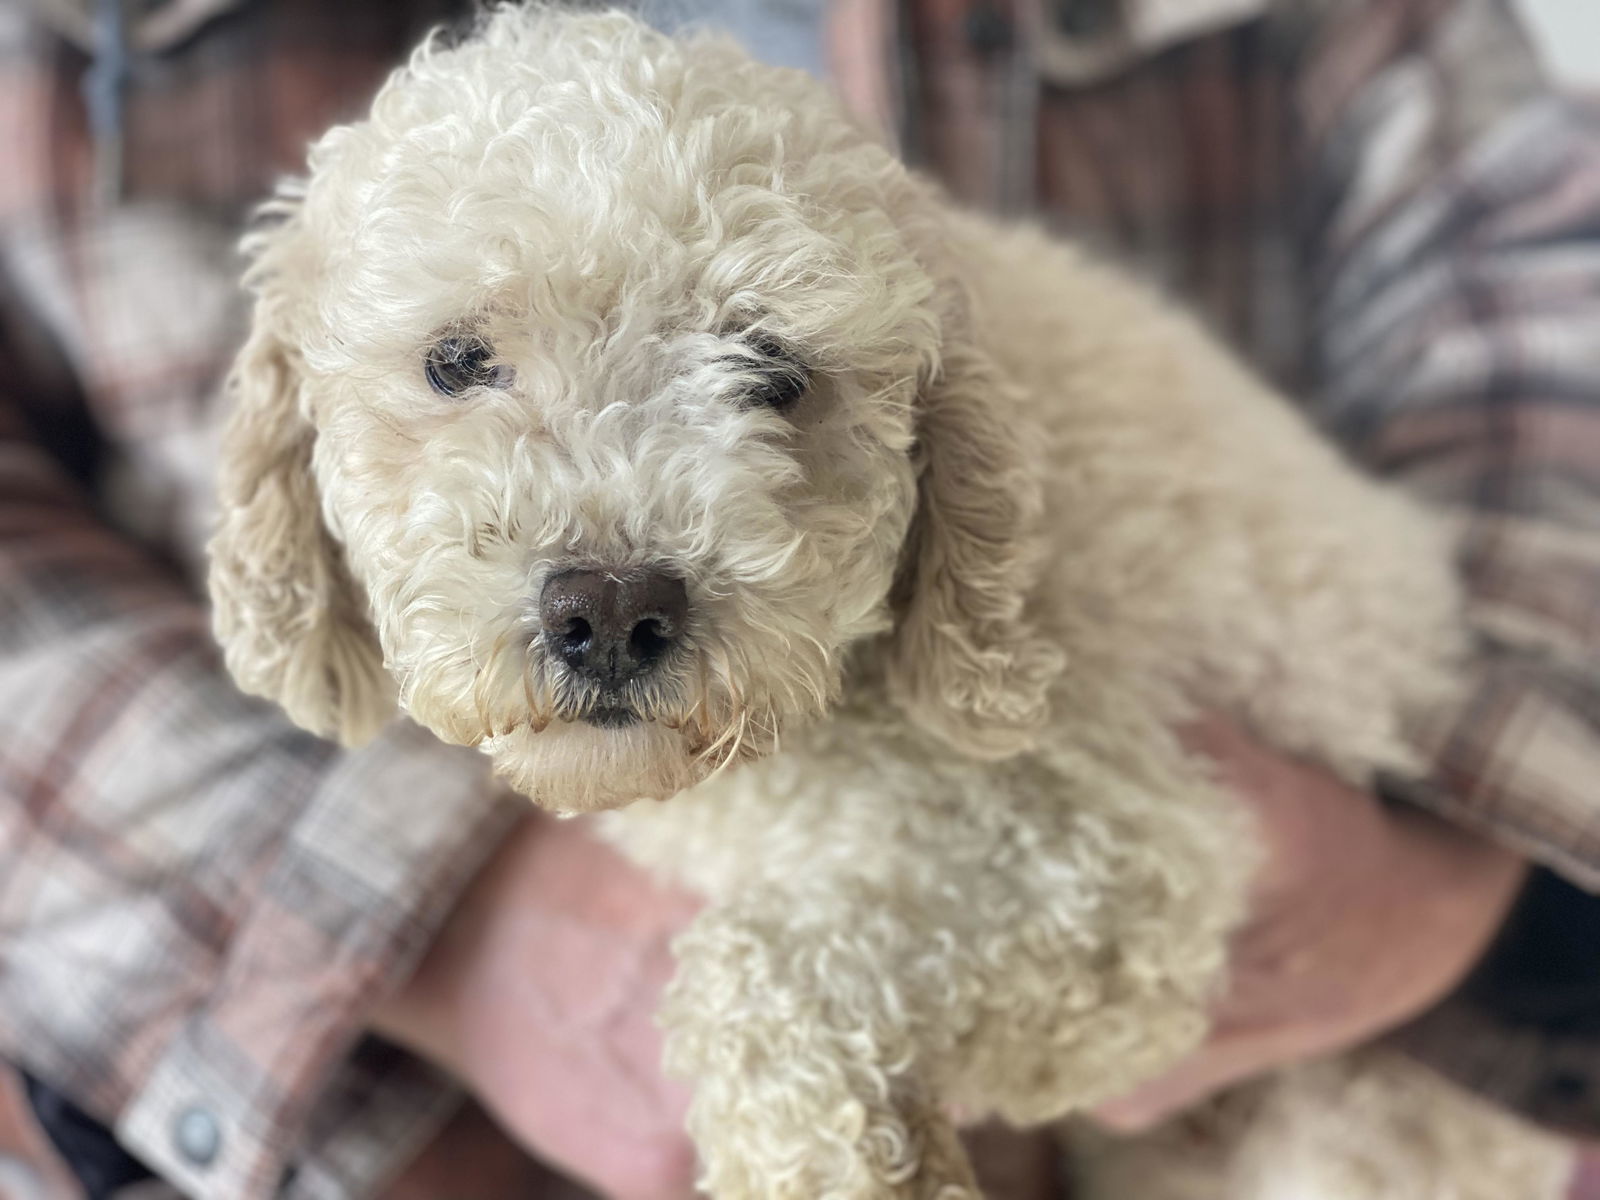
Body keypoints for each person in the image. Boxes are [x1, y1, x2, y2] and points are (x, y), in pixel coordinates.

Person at [0, 0, 1594, 1197]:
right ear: (285, 435)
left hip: (1364, 1062)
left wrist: (1470, 882)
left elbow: (1550, 302)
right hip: (304, 1100)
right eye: (465, 364)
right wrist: (442, 934)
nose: (607, 574)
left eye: (765, 380)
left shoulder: (948, 405)